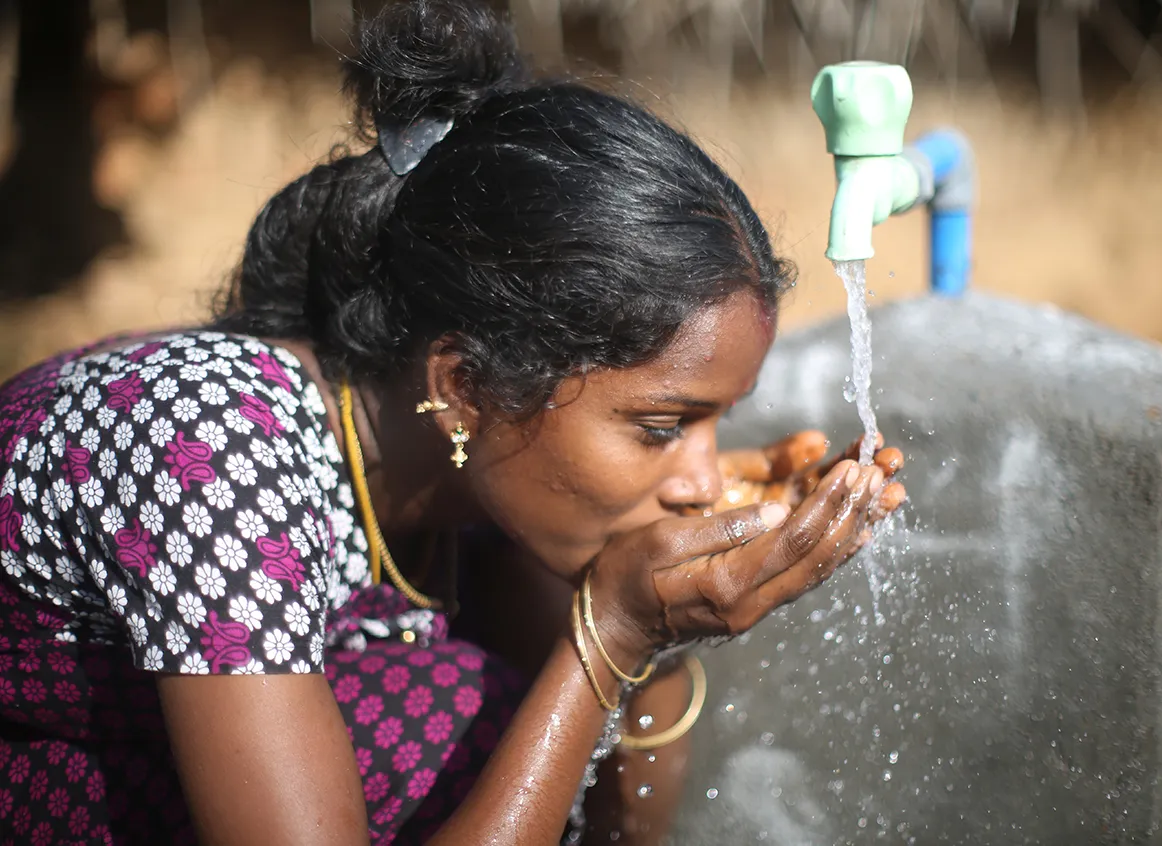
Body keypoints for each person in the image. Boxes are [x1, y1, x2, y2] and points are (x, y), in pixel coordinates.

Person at [0, 1, 905, 843]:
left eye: (717, 423)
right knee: (445, 723)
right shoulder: (211, 448)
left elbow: (619, 827)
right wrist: (615, 631)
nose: (704, 479)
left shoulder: (475, 476)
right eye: (664, 426)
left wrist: (656, 633)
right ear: (465, 386)